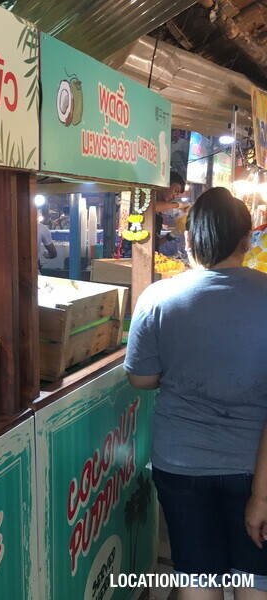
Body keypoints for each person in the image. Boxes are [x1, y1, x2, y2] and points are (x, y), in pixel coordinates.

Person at [125, 187, 267, 599]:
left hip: (181, 462)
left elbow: (141, 379)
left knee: (196, 576)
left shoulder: (158, 297)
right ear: (247, 240)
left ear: (189, 240)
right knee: (254, 579)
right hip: (255, 468)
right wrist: (262, 494)